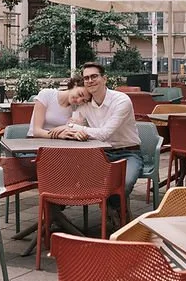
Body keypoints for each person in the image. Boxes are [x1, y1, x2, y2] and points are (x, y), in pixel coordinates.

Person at [56, 63, 142, 214]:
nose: (90, 80)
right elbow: (72, 123)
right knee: (64, 176)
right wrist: (74, 130)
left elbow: (104, 134)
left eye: (94, 76)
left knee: (124, 183)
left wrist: (75, 128)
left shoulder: (121, 101)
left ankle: (114, 209)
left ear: (104, 79)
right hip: (100, 154)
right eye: (86, 78)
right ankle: (55, 215)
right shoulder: (85, 104)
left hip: (128, 153)